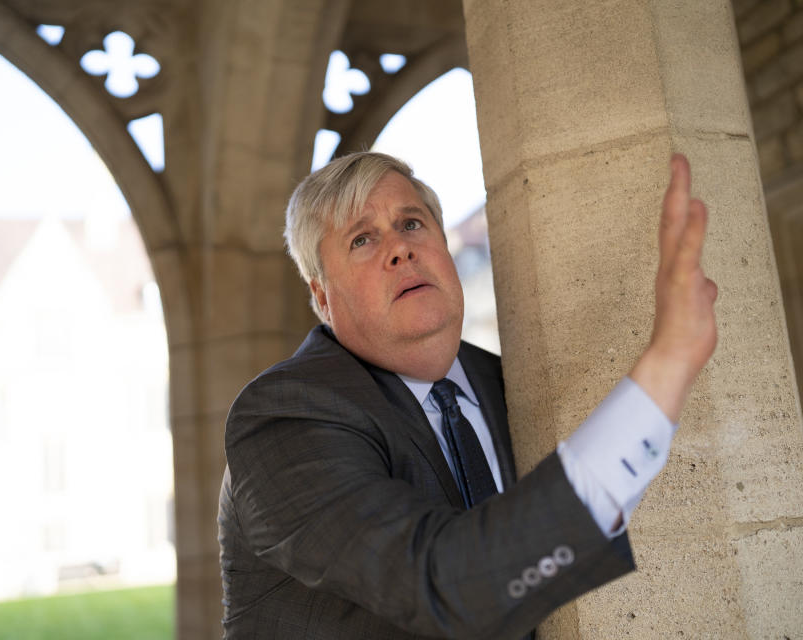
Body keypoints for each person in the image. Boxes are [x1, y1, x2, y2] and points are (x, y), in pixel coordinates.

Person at [218, 151, 717, 639]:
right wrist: (666, 367)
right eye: (363, 239)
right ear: (322, 296)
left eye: (411, 224)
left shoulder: (511, 384)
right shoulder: (285, 415)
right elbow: (440, 587)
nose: (399, 248)